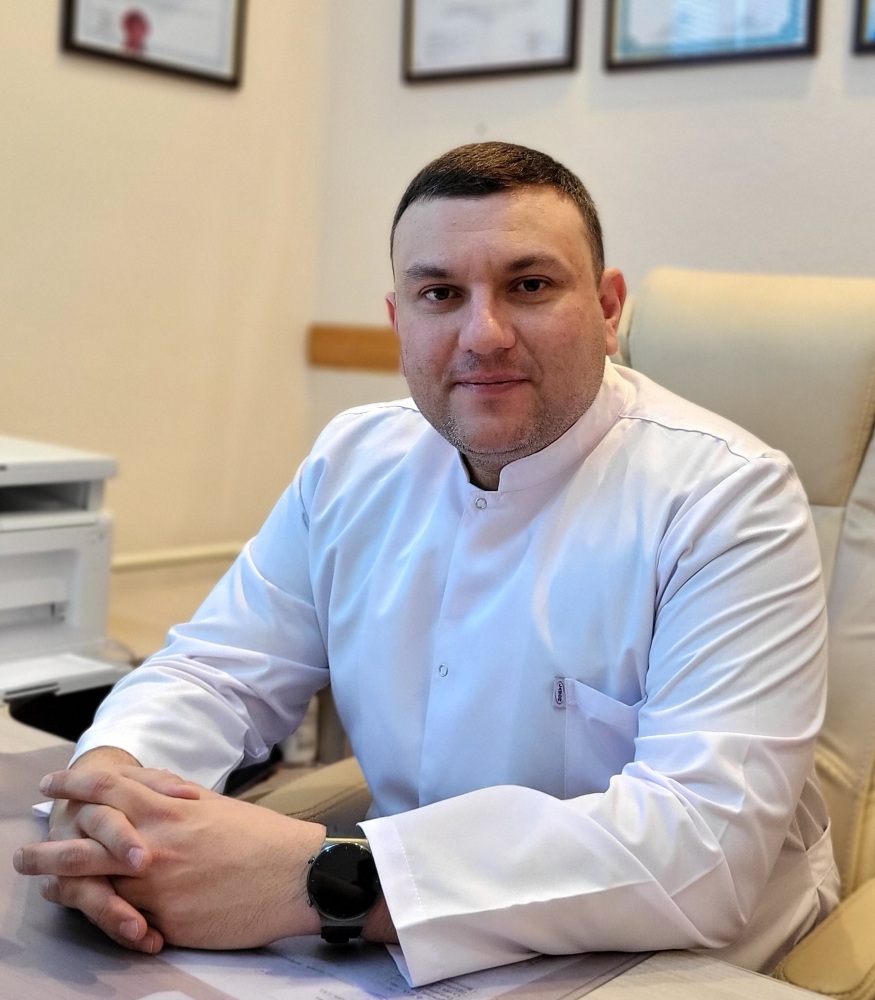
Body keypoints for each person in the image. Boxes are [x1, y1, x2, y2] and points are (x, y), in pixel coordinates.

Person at [13, 141, 839, 987]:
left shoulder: (728, 496)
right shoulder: (353, 460)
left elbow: (701, 852)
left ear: (606, 308)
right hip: (397, 916)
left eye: (529, 285)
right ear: (398, 319)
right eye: (440, 294)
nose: (483, 335)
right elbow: (216, 673)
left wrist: (315, 882)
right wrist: (110, 788)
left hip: (668, 947)